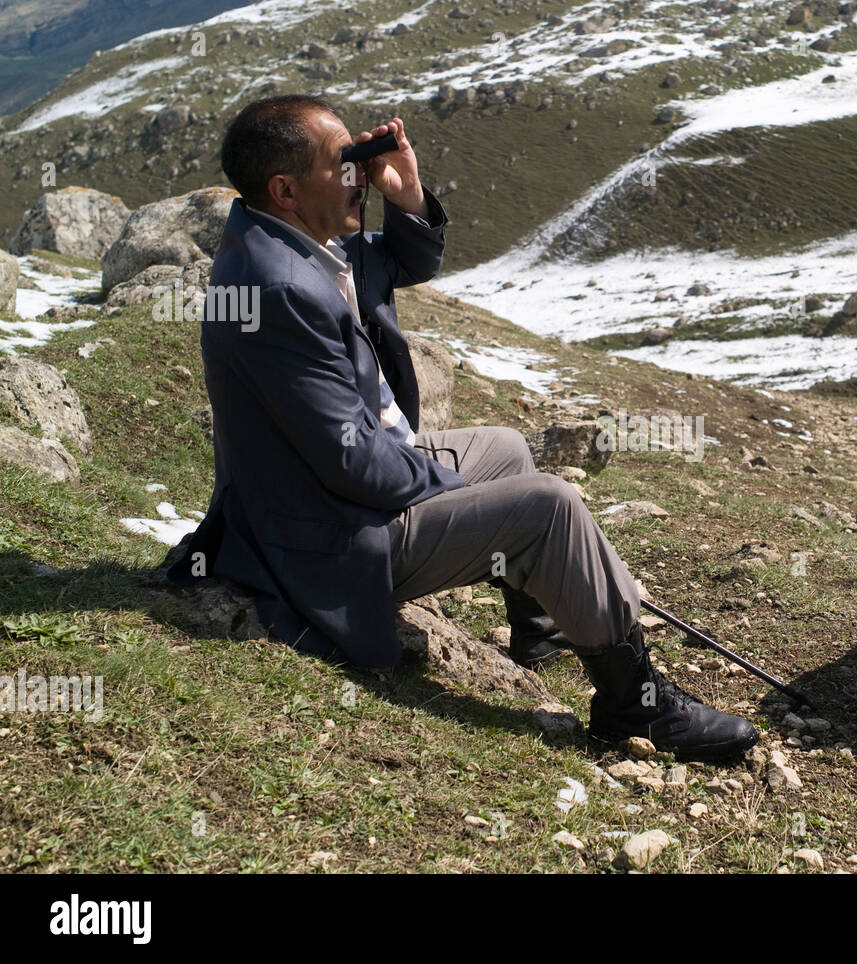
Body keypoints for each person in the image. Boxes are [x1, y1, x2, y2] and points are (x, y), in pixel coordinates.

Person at [167, 94, 757, 760]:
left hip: (343, 485)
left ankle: (543, 629)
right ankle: (634, 706)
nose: (359, 175)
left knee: (505, 450)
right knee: (549, 507)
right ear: (285, 188)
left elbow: (406, 263)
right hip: (327, 533)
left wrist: (406, 191)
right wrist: (444, 483)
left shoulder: (284, 238)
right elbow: (353, 465)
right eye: (344, 163)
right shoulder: (276, 290)